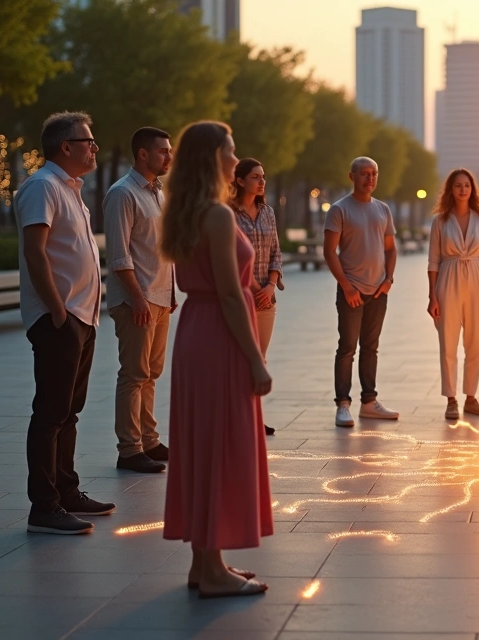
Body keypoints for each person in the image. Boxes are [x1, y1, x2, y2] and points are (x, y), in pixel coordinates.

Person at [161, 120, 272, 598]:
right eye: (230, 151)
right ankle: (211, 569)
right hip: (221, 336)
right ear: (212, 158)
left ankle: (206, 563)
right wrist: (256, 359)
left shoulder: (188, 212)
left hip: (194, 333)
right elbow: (231, 293)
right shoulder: (219, 216)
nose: (235, 158)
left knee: (202, 444)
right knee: (222, 444)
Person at [16, 111, 116, 535]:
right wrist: (57, 310)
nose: (94, 147)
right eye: (87, 141)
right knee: (51, 413)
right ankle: (45, 506)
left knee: (69, 412)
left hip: (82, 316)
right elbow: (36, 253)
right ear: (65, 146)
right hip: (60, 317)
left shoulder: (69, 188)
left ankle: (66, 490)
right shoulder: (42, 186)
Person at [104, 126, 176, 474]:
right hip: (137, 300)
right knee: (133, 374)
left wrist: (170, 293)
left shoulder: (158, 193)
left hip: (160, 297)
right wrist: (138, 298)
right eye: (163, 151)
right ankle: (129, 449)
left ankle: (149, 439)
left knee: (151, 374)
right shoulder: (122, 194)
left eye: (170, 150)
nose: (169, 156)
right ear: (143, 154)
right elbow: (119, 255)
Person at [324, 157, 399, 425]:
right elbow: (329, 252)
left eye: (374, 173)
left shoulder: (383, 210)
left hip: (378, 291)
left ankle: (369, 401)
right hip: (351, 291)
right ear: (351, 176)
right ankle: (342, 404)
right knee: (347, 348)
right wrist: (346, 286)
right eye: (364, 173)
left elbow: (390, 248)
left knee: (371, 347)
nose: (370, 178)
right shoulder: (339, 210)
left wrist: (388, 279)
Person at [427, 168, 479, 420]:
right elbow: (433, 260)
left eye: (467, 185)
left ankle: (471, 397)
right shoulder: (440, 221)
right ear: (450, 190)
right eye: (458, 185)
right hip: (448, 278)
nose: (463, 189)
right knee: (448, 341)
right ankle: (451, 399)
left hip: (477, 279)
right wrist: (432, 296)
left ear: (472, 189)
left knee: (475, 341)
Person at [231, 158, 284, 437]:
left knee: (260, 359)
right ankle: (238, 417)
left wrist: (270, 286)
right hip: (241, 296)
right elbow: (231, 256)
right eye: (255, 177)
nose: (262, 181)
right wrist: (253, 287)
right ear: (239, 181)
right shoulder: (229, 213)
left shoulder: (268, 212)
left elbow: (276, 250)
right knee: (241, 358)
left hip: (267, 298)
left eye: (263, 176)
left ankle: (254, 417)